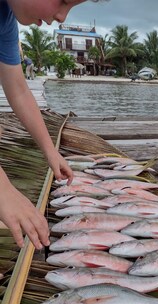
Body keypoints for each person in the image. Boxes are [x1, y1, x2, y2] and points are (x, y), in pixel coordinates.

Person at [0, 0, 101, 250]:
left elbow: (19, 89)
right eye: (64, 0)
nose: (62, 16)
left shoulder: (5, 20)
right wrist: (3, 189)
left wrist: (50, 150)